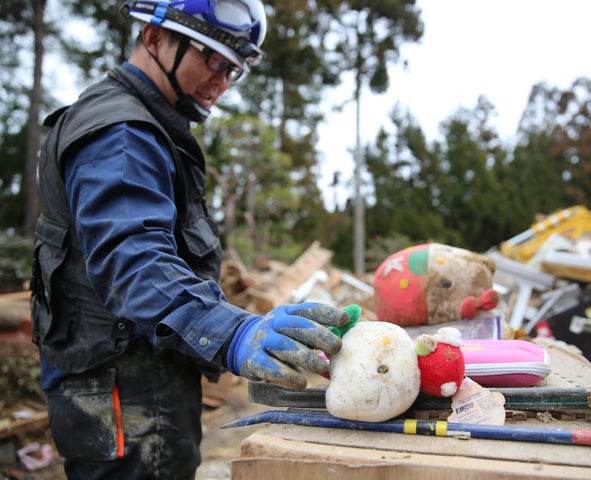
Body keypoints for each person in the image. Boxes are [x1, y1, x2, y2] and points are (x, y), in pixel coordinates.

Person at [29, 1, 350, 478]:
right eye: (211, 57)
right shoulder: (122, 133)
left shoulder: (147, 125)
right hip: (126, 395)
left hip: (137, 383)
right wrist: (232, 332)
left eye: (234, 69)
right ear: (154, 38)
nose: (221, 79)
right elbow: (134, 262)